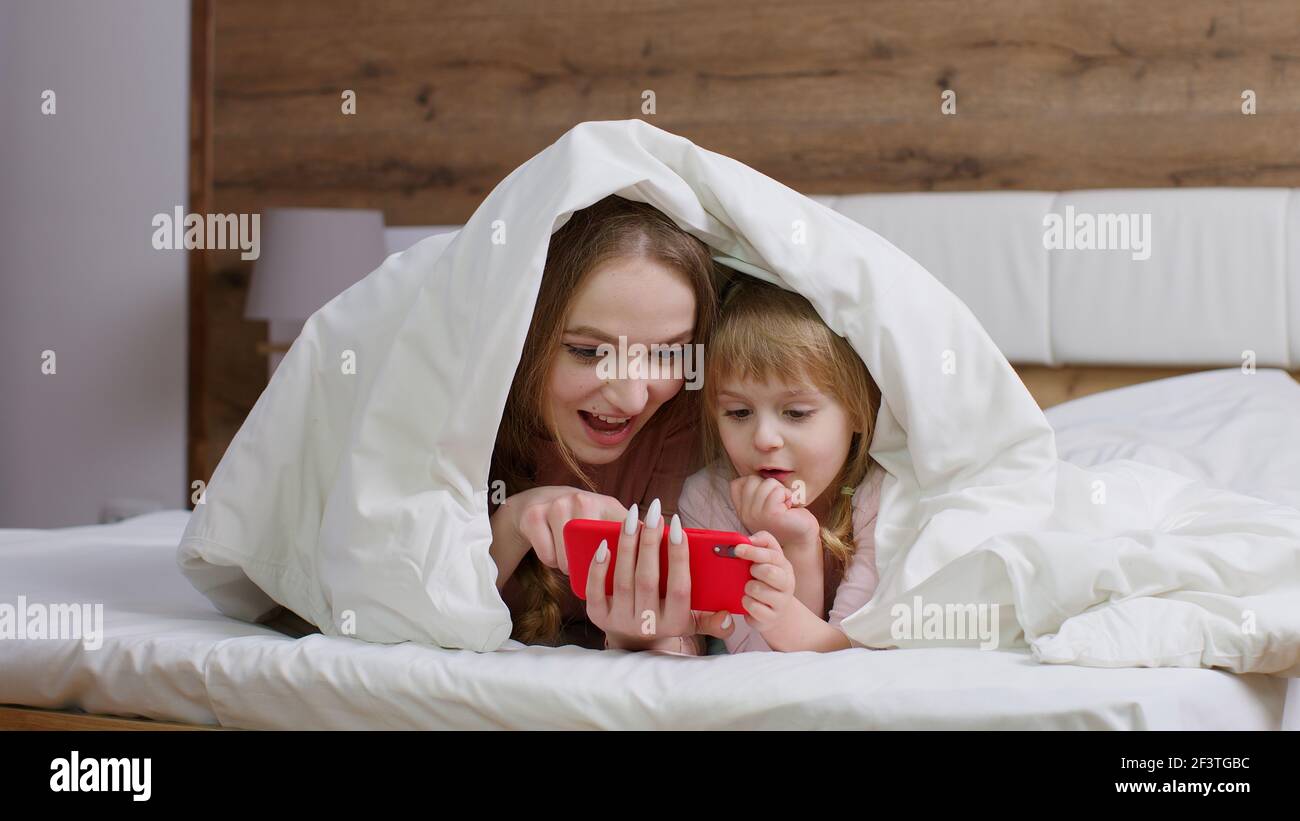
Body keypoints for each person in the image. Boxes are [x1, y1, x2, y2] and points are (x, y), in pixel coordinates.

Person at [487, 194, 736, 652]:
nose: (634, 397)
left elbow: (684, 648)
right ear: (521, 340)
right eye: (589, 352)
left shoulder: (682, 418)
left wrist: (640, 635)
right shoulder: (468, 419)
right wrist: (516, 521)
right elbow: (414, 615)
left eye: (667, 353)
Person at [676, 274, 886, 653]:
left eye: (796, 413)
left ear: (857, 410)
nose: (764, 438)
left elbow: (851, 655)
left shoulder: (877, 499)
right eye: (739, 413)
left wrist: (798, 543)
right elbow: (761, 670)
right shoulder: (707, 499)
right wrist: (793, 544)